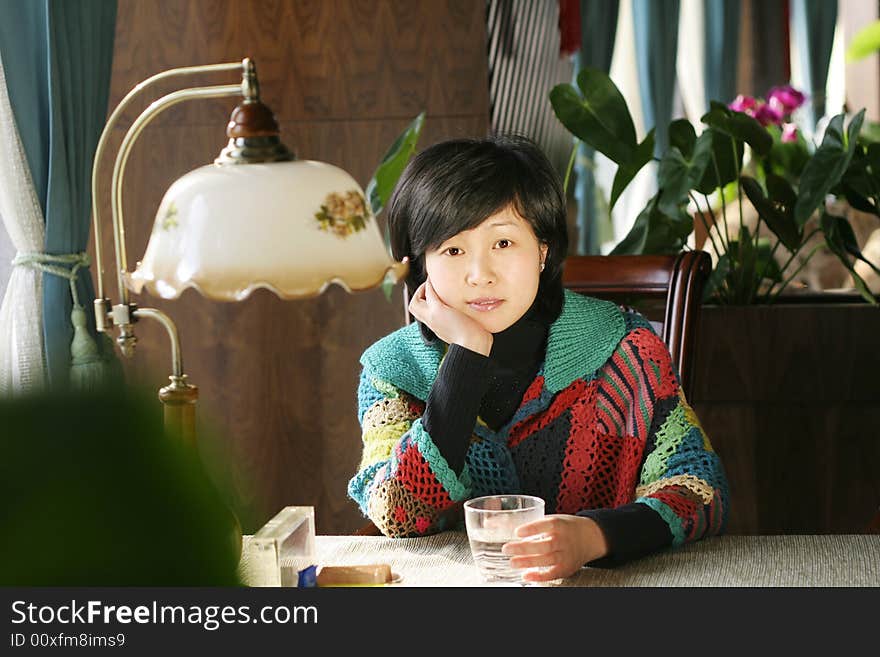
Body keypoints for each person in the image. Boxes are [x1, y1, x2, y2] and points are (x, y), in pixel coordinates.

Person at [347, 135, 729, 582]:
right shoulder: (392, 371)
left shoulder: (624, 350)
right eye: (453, 250)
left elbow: (700, 492)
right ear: (421, 265)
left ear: (542, 250)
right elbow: (397, 513)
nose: (480, 274)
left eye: (504, 244)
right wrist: (467, 356)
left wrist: (595, 536)